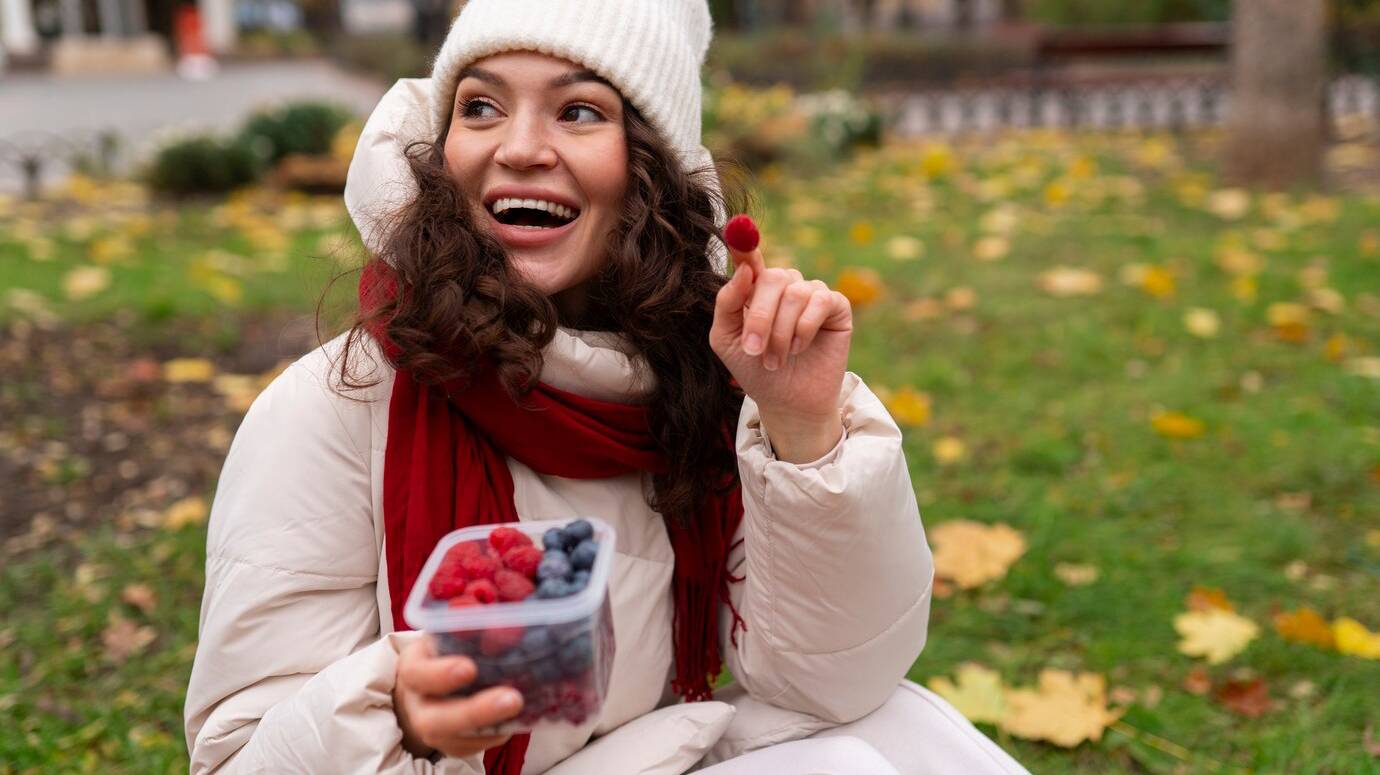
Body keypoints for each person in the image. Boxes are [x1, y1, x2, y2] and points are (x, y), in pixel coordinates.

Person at [183, 1, 1030, 773]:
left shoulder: (697, 377)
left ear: (649, 170)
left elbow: (837, 680)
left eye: (578, 110)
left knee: (905, 735)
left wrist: (802, 426)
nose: (516, 147)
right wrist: (394, 710)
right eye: (479, 106)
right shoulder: (335, 406)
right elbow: (237, 757)